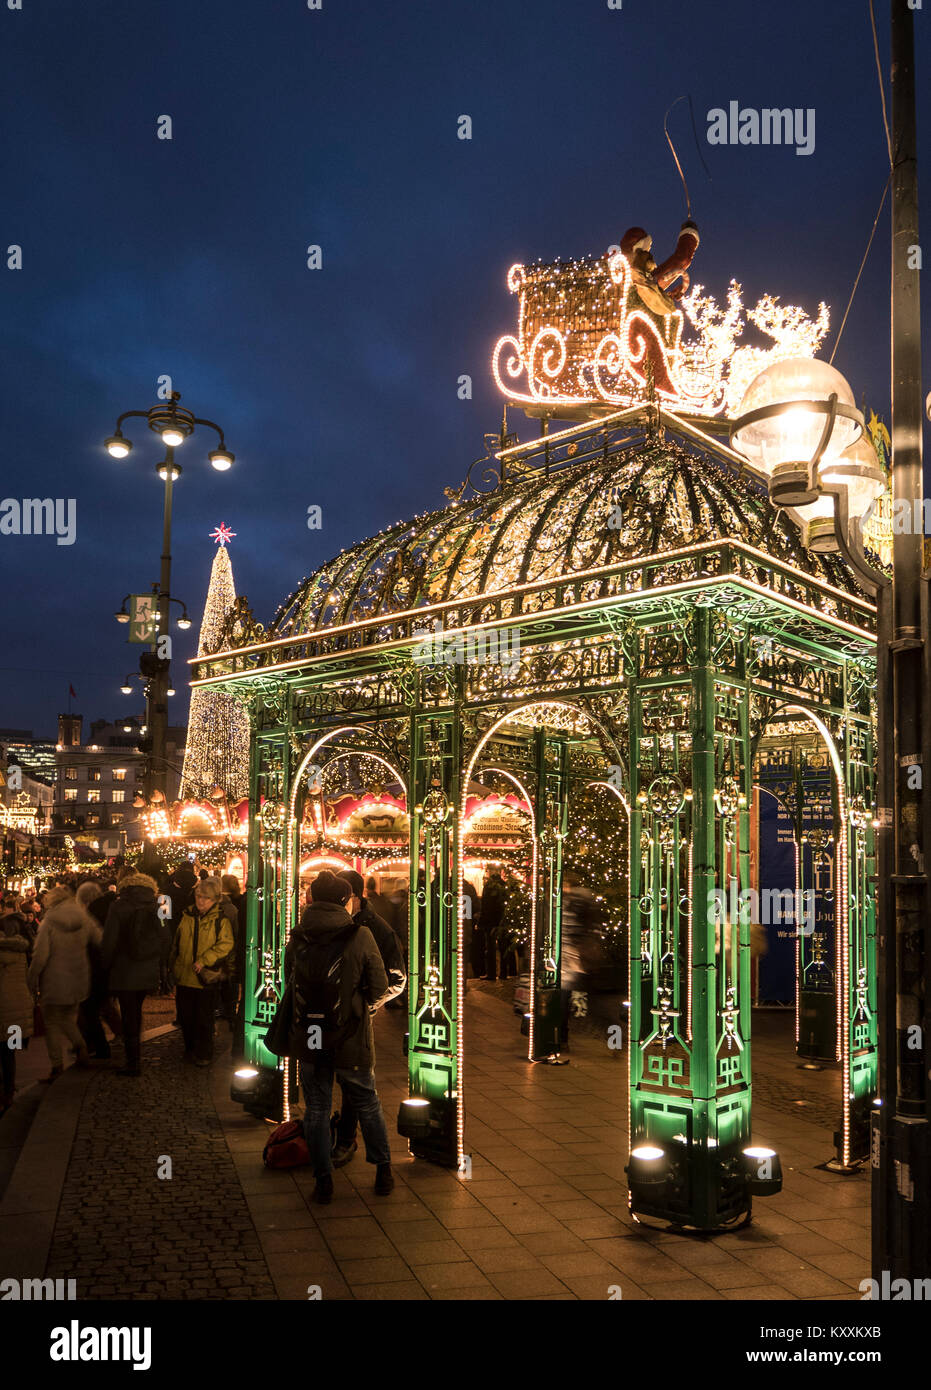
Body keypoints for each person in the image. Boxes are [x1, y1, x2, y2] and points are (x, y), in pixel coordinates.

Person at [285, 871, 392, 1204]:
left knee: (316, 1108)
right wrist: (361, 1010)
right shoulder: (360, 935)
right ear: (345, 900)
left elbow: (289, 981)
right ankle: (383, 1170)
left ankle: (323, 1180)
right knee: (366, 1102)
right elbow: (379, 986)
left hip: (311, 1036)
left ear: (311, 899)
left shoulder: (297, 936)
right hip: (350, 1037)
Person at [330, 869, 406, 1167]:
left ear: (354, 897)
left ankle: (347, 1138)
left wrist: (367, 1006)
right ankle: (331, 1133)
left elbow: (396, 978)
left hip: (355, 1019)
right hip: (327, 1015)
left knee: (354, 1082)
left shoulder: (376, 929)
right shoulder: (335, 924)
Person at [27, 886, 100, 1082]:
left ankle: (57, 1066)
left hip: (55, 979)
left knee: (51, 1022)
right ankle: (81, 1048)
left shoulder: (49, 920)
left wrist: (32, 978)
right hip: (79, 977)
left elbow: (40, 956)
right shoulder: (83, 917)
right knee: (69, 1017)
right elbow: (100, 939)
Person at [101, 872, 168, 1077]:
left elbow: (109, 941)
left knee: (129, 1014)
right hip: (147, 969)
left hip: (124, 970)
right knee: (136, 1012)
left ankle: (133, 1062)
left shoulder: (119, 907)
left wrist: (105, 966)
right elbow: (166, 937)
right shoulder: (157, 906)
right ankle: (134, 1055)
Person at [168, 876, 233, 1066]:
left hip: (205, 978)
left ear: (214, 900)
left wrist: (205, 960)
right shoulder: (187, 915)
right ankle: (189, 1049)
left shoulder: (220, 920)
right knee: (186, 1018)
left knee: (203, 1019)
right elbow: (177, 943)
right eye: (198, 896)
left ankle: (204, 1053)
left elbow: (226, 944)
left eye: (205, 898)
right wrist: (173, 966)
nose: (200, 901)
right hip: (185, 975)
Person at [75, 881, 120, 1059]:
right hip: (106, 967)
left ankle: (95, 1046)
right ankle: (119, 1036)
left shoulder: (90, 915)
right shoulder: (108, 909)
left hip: (94, 968)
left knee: (88, 1008)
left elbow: (97, 941)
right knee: (103, 1006)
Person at [0, 904, 34, 1114]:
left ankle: (3, 1090)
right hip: (19, 1008)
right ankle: (9, 1091)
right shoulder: (23, 950)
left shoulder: (2, 952)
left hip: (2, 1009)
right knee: (9, 1052)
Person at [217, 874, 244, 1025]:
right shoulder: (240, 903)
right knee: (231, 982)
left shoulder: (219, 905)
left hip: (218, 949)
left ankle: (221, 1009)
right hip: (233, 948)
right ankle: (231, 1011)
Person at [476, 869, 506, 980]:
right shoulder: (504, 885)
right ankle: (503, 973)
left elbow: (485, 906)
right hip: (502, 921)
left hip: (490, 921)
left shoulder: (488, 886)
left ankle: (491, 973)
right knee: (503, 947)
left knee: (490, 948)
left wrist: (481, 922)